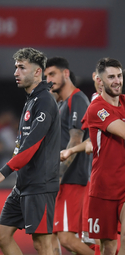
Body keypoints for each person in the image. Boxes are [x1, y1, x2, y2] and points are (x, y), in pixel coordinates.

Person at [0, 47, 60, 255]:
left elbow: (32, 144)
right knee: (2, 236)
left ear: (37, 72)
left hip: (40, 185)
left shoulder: (44, 101)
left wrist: (4, 171)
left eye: (21, 68)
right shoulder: (32, 100)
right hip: (23, 185)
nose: (16, 73)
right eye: (16, 68)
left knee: (42, 245)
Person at [85, 58, 125, 255]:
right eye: (111, 77)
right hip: (104, 187)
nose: (117, 81)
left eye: (119, 76)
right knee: (108, 246)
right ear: (100, 81)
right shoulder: (96, 108)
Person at [44, 57, 93, 255]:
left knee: (66, 238)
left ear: (65, 73)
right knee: (52, 235)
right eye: (46, 76)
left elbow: (75, 140)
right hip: (66, 179)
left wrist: (58, 177)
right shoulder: (63, 104)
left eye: (52, 74)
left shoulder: (77, 99)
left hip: (73, 179)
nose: (49, 79)